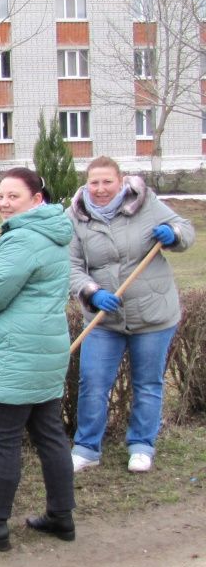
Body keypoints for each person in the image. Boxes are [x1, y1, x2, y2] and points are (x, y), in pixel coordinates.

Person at [0, 167, 75, 550]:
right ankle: (60, 516)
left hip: (18, 352)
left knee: (3, 440)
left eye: (13, 196)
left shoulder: (23, 239)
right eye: (0, 196)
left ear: (37, 200)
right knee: (49, 434)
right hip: (45, 348)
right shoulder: (51, 233)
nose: (3, 203)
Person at [68, 156, 195, 474]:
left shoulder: (145, 203)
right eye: (94, 182)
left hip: (153, 313)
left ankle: (141, 445)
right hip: (104, 318)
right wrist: (91, 292)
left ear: (121, 181)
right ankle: (86, 448)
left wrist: (173, 234)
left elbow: (185, 229)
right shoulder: (76, 216)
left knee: (148, 383)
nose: (100, 189)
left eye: (107, 181)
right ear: (87, 184)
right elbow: (68, 266)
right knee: (93, 382)